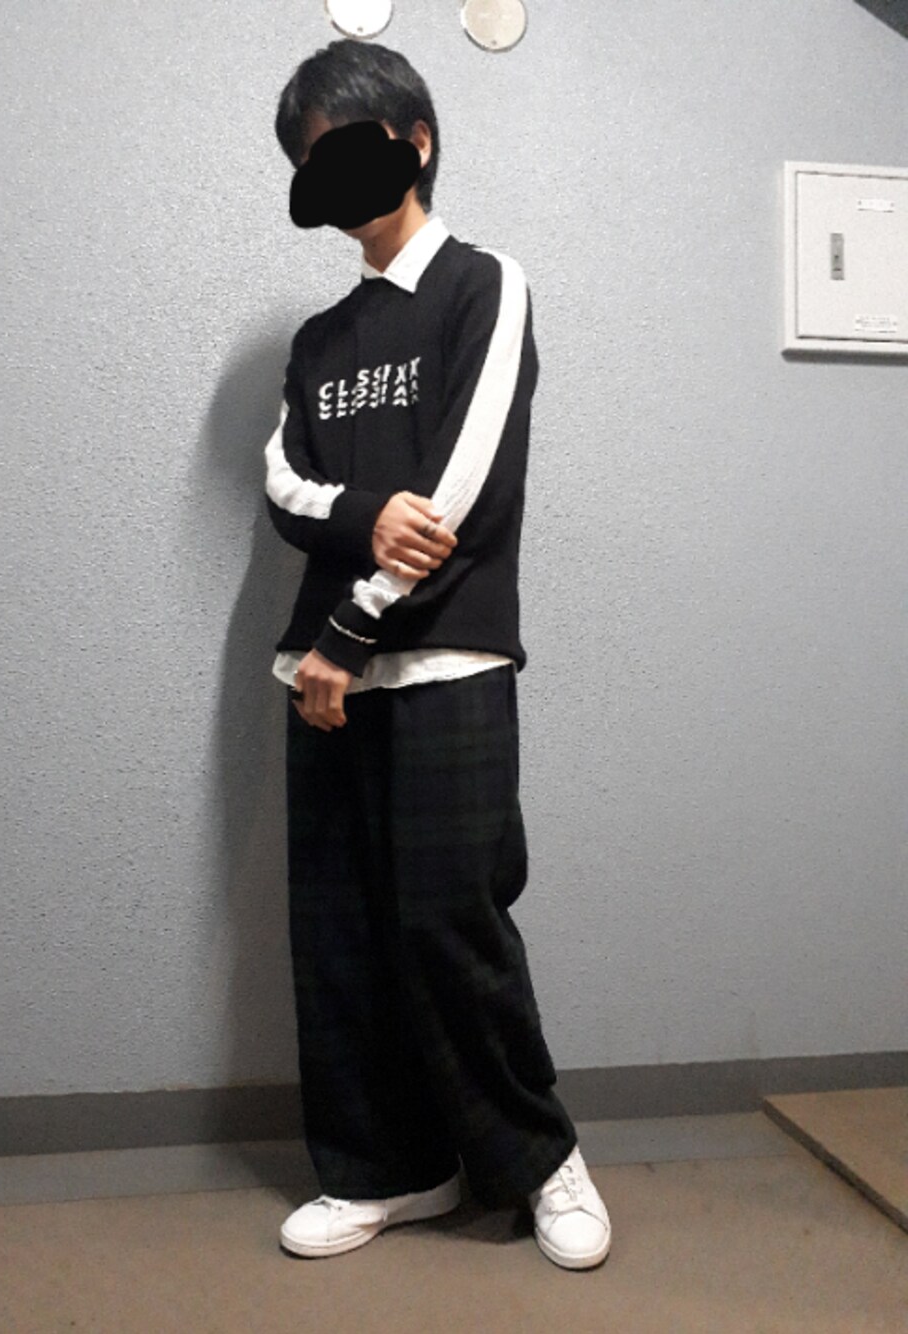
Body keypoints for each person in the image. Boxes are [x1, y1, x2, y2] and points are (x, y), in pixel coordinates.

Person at [265, 38, 611, 1270]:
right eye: (309, 161)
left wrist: (348, 629)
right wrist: (364, 518)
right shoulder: (319, 338)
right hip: (320, 683)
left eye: (343, 149)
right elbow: (283, 483)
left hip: (437, 662)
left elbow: (464, 487)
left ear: (412, 142)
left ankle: (539, 1158)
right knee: (340, 931)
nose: (328, 176)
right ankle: (387, 1168)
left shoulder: (482, 285)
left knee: (452, 923)